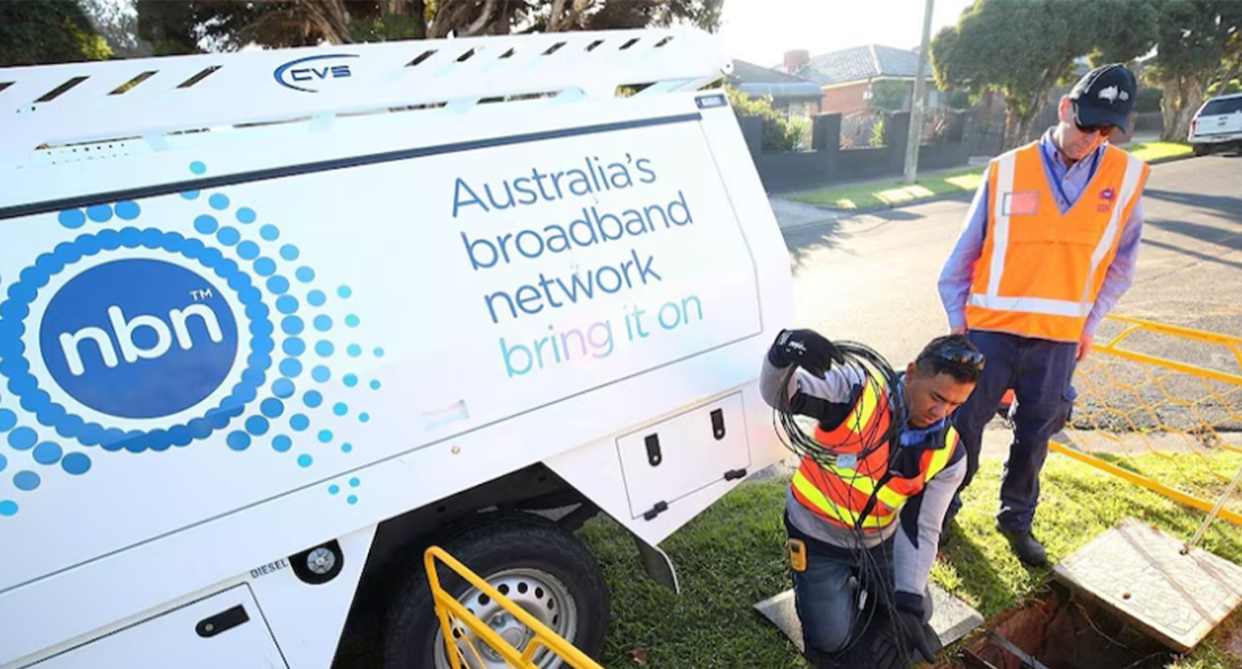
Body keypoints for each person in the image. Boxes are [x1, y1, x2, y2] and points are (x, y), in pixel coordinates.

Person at [937, 63, 1151, 566]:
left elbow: (1121, 265)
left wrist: (1089, 323)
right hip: (989, 332)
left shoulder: (1125, 178)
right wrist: (956, 320)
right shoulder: (1007, 169)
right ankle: (942, 511)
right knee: (964, 425)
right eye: (1085, 124)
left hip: (1057, 339)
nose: (1090, 138)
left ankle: (1016, 518)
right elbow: (963, 255)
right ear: (1064, 109)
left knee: (1036, 433)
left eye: (1104, 130)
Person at [760, 329, 984, 669]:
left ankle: (876, 597)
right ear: (911, 374)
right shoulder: (856, 392)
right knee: (830, 640)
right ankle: (821, 589)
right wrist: (781, 354)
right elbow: (779, 396)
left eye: (955, 404)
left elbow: (922, 527)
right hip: (815, 536)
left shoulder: (950, 455)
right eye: (936, 396)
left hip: (878, 541)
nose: (941, 411)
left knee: (920, 609)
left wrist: (907, 606)